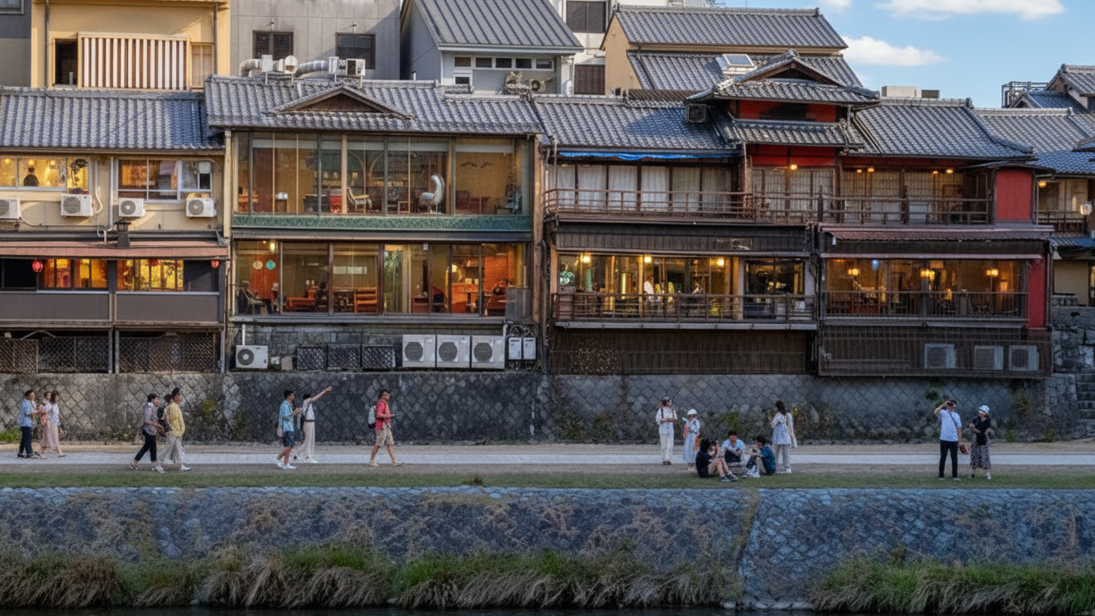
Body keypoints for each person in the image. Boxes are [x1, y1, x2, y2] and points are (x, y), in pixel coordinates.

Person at [292, 386, 333, 464]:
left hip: (310, 422)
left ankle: (298, 454)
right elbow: (315, 398)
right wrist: (325, 391)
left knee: (308, 440)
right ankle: (307, 456)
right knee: (309, 440)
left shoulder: (305, 404)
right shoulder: (307, 401)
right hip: (308, 423)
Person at [368, 389, 403, 467]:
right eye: (386, 394)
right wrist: (388, 416)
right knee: (379, 443)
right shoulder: (381, 404)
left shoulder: (384, 403)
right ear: (381, 396)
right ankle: (371, 460)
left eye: (388, 394)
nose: (388, 396)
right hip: (381, 426)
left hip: (386, 426)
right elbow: (378, 414)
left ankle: (394, 461)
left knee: (390, 443)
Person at [131, 394, 164, 472]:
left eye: (158, 399)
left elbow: (154, 418)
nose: (158, 400)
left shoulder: (153, 408)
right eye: (156, 399)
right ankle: (154, 464)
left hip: (151, 430)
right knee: (152, 448)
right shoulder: (149, 407)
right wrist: (157, 425)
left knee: (147, 447)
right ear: (152, 400)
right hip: (148, 430)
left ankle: (135, 462)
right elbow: (146, 420)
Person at [162, 388, 191, 472]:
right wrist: (180, 430)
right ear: (175, 397)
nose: (180, 396)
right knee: (169, 448)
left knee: (178, 449)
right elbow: (173, 421)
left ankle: (180, 464)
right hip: (174, 432)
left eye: (180, 395)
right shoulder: (173, 407)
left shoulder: (174, 407)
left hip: (176, 432)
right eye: (179, 395)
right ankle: (159, 461)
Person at [934, 399, 963, 481]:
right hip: (944, 439)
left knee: (954, 458)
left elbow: (959, 429)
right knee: (943, 457)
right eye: (950, 404)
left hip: (954, 439)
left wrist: (960, 441)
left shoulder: (957, 415)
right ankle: (941, 475)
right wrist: (943, 405)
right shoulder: (943, 413)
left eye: (953, 404)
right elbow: (935, 412)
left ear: (955, 406)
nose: (951, 406)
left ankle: (955, 475)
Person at [276, 390, 302, 469]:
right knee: (290, 445)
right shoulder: (285, 405)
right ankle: (278, 458)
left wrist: (295, 413)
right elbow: (285, 416)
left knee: (288, 445)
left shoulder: (288, 405)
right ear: (288, 396)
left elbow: (290, 416)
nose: (293, 396)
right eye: (292, 395)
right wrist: (294, 412)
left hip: (290, 427)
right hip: (286, 427)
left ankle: (285, 464)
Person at [770, 400, 797, 473]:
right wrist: (778, 421)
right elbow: (773, 425)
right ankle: (774, 467)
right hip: (777, 437)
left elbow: (791, 427)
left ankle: (787, 467)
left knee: (786, 453)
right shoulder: (777, 416)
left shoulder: (788, 415)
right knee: (775, 452)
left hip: (785, 436)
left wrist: (792, 438)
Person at [969, 405, 992, 480]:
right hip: (976, 439)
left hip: (983, 439)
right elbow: (972, 425)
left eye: (983, 412)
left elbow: (983, 431)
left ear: (986, 413)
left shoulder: (988, 420)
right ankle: (973, 472)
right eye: (980, 411)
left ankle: (988, 473)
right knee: (974, 455)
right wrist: (972, 426)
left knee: (984, 455)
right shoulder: (976, 419)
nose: (980, 413)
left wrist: (974, 429)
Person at [17, 390, 42, 459]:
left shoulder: (33, 403)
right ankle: (29, 452)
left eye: (33, 395)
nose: (33, 396)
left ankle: (20, 452)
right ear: (28, 396)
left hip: (30, 423)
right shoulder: (25, 402)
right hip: (25, 423)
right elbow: (27, 412)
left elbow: (34, 411)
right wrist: (37, 412)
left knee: (24, 438)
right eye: (31, 395)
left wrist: (37, 411)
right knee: (28, 438)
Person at [40, 392, 65, 458]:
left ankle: (59, 451)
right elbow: (45, 410)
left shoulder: (55, 404)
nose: (57, 398)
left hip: (54, 423)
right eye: (56, 396)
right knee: (47, 437)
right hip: (49, 423)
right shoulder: (50, 404)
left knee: (54, 437)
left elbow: (57, 414)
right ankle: (58, 451)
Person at [655, 396, 677, 465]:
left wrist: (671, 419)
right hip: (663, 430)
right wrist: (667, 419)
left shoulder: (672, 410)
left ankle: (668, 458)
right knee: (664, 445)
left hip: (670, 429)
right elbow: (658, 420)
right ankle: (664, 458)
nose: (670, 403)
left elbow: (675, 418)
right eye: (668, 401)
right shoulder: (661, 410)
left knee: (670, 445)